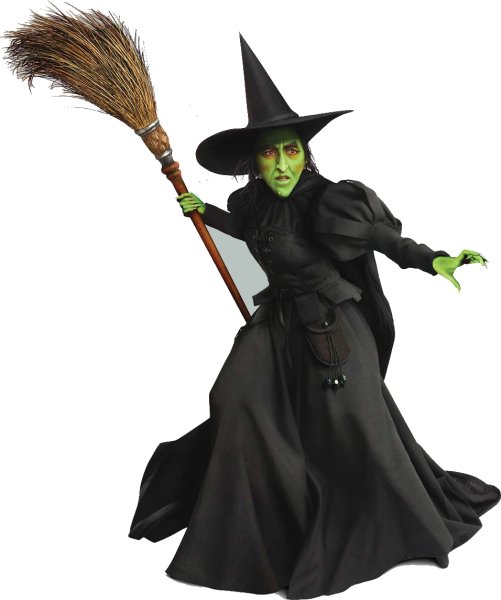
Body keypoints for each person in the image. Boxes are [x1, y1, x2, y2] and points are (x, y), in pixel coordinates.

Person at [129, 36, 500, 599]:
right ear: (254, 161)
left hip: (332, 331)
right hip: (276, 324)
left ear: (305, 151)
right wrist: (204, 211)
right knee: (234, 399)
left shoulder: (330, 201)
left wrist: (434, 259)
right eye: (270, 154)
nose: (282, 164)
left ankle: (390, 522)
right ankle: (265, 523)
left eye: (291, 150)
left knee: (352, 431)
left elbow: (381, 239)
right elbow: (249, 232)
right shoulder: (250, 203)